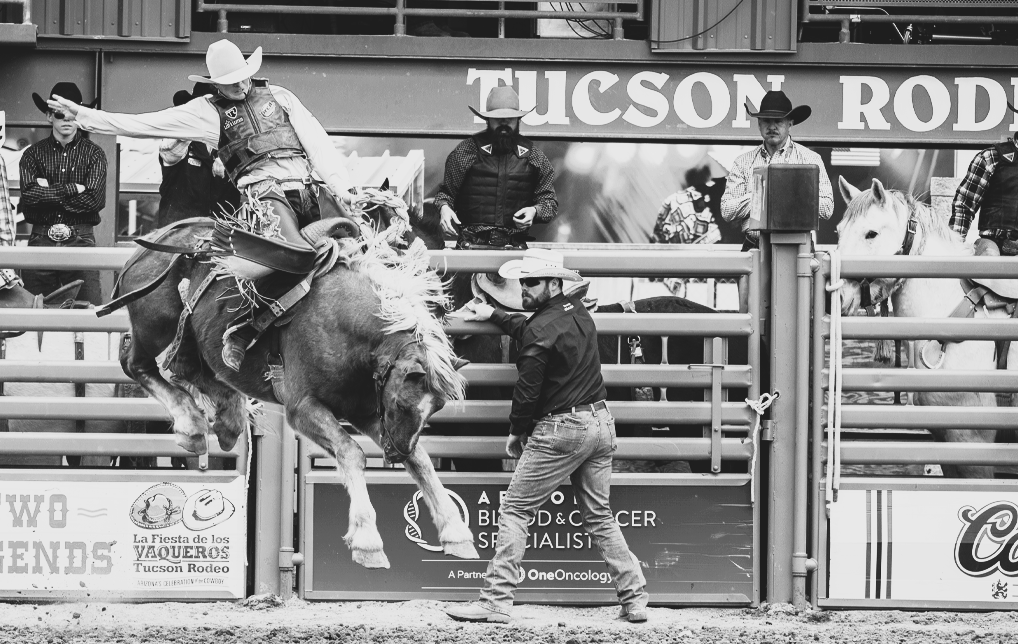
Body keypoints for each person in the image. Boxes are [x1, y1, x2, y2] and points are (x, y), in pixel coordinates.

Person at [48, 38, 353, 370]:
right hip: (265, 195)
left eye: (242, 76)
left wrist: (344, 188)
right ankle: (245, 328)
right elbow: (141, 124)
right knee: (295, 256)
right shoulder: (204, 112)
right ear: (216, 84)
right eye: (230, 80)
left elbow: (318, 143)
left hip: (310, 188)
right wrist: (83, 116)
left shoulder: (281, 97)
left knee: (359, 245)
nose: (239, 84)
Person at [444, 248, 650, 625]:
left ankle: (495, 599)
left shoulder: (540, 328)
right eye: (523, 282)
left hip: (561, 430)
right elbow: (535, 329)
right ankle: (634, 599)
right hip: (601, 423)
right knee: (599, 516)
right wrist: (495, 314)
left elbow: (528, 388)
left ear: (554, 283)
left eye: (532, 282)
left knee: (516, 510)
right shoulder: (579, 313)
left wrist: (516, 429)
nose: (524, 288)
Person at [433, 84, 558, 249]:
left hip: (514, 248)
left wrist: (535, 211)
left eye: (509, 120)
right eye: (498, 120)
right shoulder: (465, 152)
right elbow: (445, 195)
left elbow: (550, 203)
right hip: (471, 246)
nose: (504, 124)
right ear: (488, 120)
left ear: (518, 120)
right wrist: (444, 208)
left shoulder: (534, 156)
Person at [19, 82, 107, 305]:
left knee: (87, 315)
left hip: (81, 239)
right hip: (41, 239)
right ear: (49, 116)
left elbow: (95, 200)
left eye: (72, 114)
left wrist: (47, 194)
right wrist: (71, 189)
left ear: (79, 117)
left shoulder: (95, 154)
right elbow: (29, 198)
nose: (67, 120)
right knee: (33, 317)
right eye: (60, 115)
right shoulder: (32, 154)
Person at [720, 90, 833, 249]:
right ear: (759, 124)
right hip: (755, 246)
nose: (772, 126)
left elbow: (827, 208)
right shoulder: (742, 162)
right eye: (766, 120)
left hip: (799, 248)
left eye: (778, 121)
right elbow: (727, 210)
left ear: (790, 123)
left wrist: (789, 197)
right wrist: (761, 197)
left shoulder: (811, 159)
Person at [156, 82, 240, 228]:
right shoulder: (177, 139)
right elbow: (168, 152)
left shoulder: (235, 145)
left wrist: (229, 154)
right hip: (178, 236)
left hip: (221, 238)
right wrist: (190, 125)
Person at [951, 102, 1018, 257]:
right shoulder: (991, 158)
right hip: (995, 244)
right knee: (988, 259)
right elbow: (965, 204)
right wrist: (953, 248)